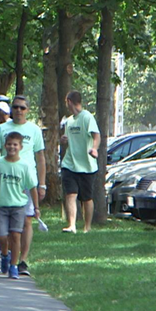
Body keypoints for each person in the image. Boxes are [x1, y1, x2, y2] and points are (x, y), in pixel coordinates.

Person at [0, 95, 46, 276]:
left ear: (28, 110)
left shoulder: (34, 130)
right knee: (4, 230)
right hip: (5, 179)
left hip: (27, 179)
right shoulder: (2, 129)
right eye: (16, 107)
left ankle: (22, 261)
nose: (19, 110)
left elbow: (40, 158)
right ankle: (7, 254)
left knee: (26, 221)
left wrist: (42, 184)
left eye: (22, 107)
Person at [0, 132, 40, 279]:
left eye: (15, 144)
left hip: (18, 206)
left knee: (16, 235)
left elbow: (32, 187)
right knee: (2, 236)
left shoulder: (24, 166)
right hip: (1, 205)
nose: (12, 147)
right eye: (9, 144)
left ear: (20, 147)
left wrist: (36, 207)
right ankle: (4, 254)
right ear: (4, 145)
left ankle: (13, 265)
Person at [60, 90, 100, 233]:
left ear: (69, 101)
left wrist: (94, 149)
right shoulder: (69, 121)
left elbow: (96, 135)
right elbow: (67, 139)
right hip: (69, 164)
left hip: (87, 166)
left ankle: (87, 227)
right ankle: (72, 225)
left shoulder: (87, 117)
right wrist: (63, 140)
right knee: (70, 194)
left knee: (86, 198)